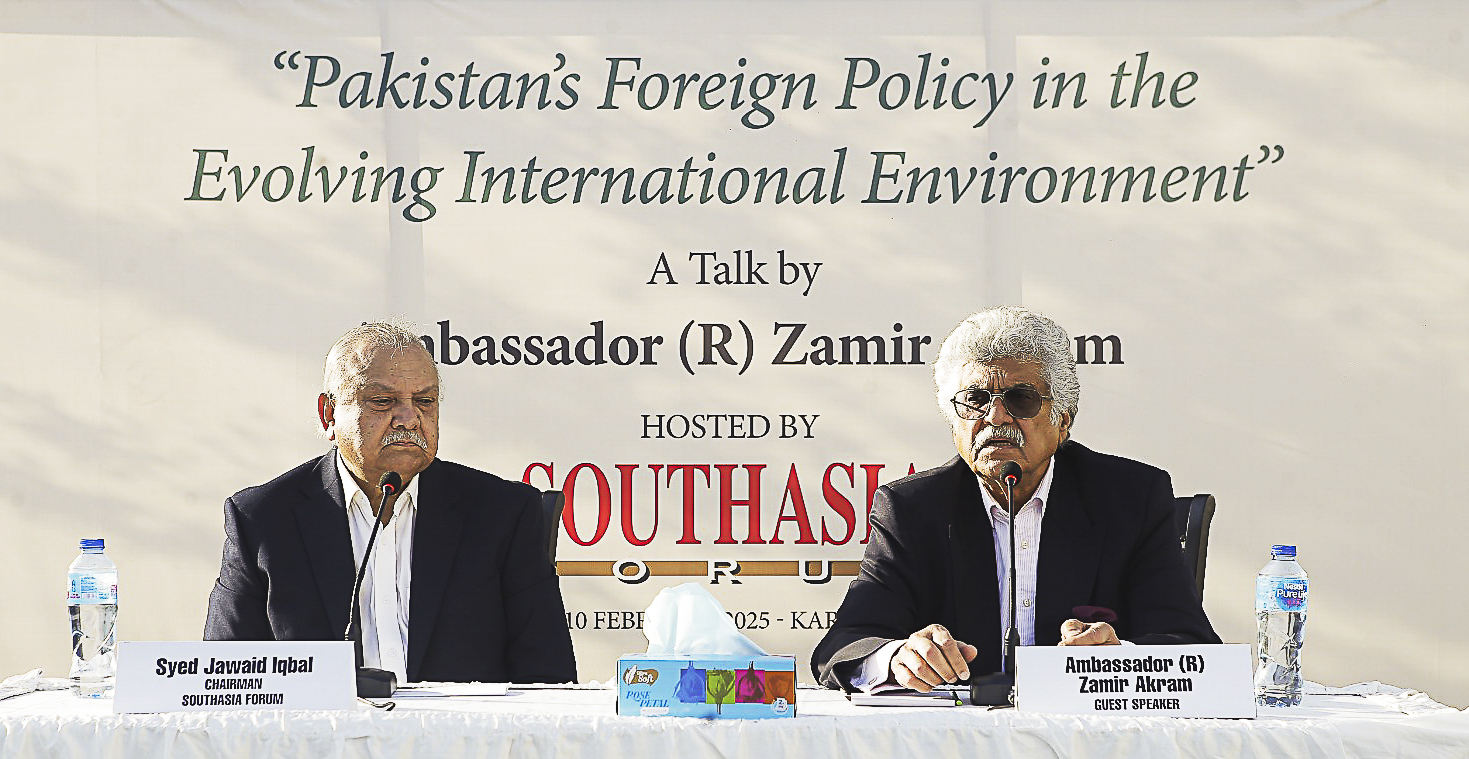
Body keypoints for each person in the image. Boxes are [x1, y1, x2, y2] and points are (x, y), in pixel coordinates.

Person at [811, 306, 1218, 692]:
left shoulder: (1131, 498)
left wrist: (1120, 659)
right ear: (954, 422)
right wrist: (898, 657)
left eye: (1021, 399)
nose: (995, 417)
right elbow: (845, 645)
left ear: (1063, 421)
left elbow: (1191, 645)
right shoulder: (911, 509)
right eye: (975, 400)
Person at [204, 322, 576, 683]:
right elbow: (226, 678)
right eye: (383, 401)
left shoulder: (503, 514)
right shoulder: (263, 520)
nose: (409, 419)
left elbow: (549, 679)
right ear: (329, 414)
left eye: (425, 401)